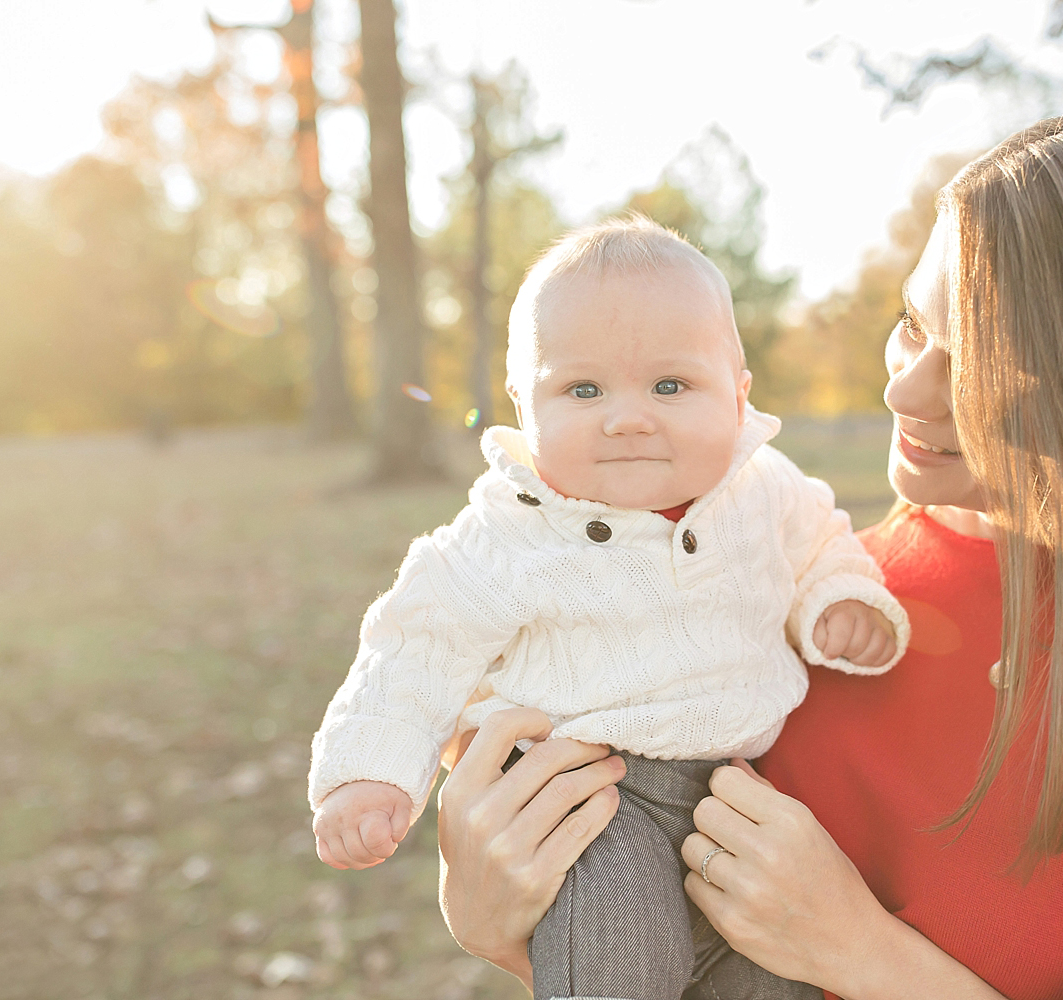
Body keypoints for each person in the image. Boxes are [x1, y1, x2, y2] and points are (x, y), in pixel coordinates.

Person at [436, 93, 1063, 1000]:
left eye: (986, 364)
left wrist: (865, 957)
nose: (907, 393)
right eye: (914, 324)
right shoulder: (813, 597)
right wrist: (500, 923)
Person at [307, 216, 911, 1000]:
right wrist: (369, 776)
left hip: (734, 795)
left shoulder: (762, 489)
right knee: (617, 962)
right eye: (582, 389)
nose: (628, 417)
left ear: (737, 393)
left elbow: (820, 546)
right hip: (590, 799)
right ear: (524, 404)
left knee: (774, 973)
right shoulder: (508, 531)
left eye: (670, 385)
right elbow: (413, 649)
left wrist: (839, 599)